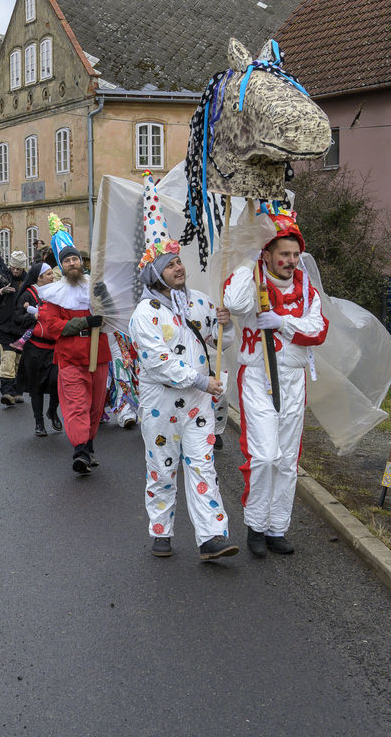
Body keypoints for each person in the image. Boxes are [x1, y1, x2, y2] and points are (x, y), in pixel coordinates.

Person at [223, 210, 328, 558]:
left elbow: (318, 330)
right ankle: (255, 524)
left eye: (295, 255)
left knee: (286, 461)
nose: (291, 261)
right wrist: (248, 262)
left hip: (293, 380)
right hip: (257, 378)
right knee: (264, 456)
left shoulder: (306, 287)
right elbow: (235, 304)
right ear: (267, 254)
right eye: (283, 254)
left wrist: (282, 323)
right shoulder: (252, 280)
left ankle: (276, 527)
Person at [130, 219, 236, 560]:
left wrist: (226, 324)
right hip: (160, 404)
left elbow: (220, 343)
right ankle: (161, 531)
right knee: (162, 467)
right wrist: (202, 380)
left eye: (179, 261)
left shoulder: (201, 303)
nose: (179, 267)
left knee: (203, 466)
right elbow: (158, 363)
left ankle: (211, 537)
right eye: (170, 264)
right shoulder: (144, 315)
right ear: (156, 274)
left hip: (198, 405)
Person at [36, 243, 110, 473]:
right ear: (62, 265)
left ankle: (88, 446)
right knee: (77, 405)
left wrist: (104, 307)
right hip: (70, 357)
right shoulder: (55, 293)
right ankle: (80, 450)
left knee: (95, 407)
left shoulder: (95, 287)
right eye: (67, 261)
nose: (72, 263)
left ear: (81, 262)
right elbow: (52, 326)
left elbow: (113, 314)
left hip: (98, 355)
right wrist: (84, 322)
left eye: (75, 259)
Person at [15, 261, 62, 436]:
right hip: (34, 348)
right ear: (39, 277)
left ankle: (52, 410)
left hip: (54, 347)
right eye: (49, 274)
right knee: (36, 387)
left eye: (52, 273)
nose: (52, 276)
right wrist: (35, 316)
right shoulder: (27, 295)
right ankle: (39, 422)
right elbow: (18, 318)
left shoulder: (57, 292)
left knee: (57, 381)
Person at [0, 251, 30, 406]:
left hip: (22, 328)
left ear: (23, 267)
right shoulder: (1, 278)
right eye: (13, 268)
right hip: (5, 327)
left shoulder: (29, 282)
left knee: (18, 361)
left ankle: (17, 391)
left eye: (18, 269)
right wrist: (1, 292)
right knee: (7, 360)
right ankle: (7, 392)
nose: (15, 271)